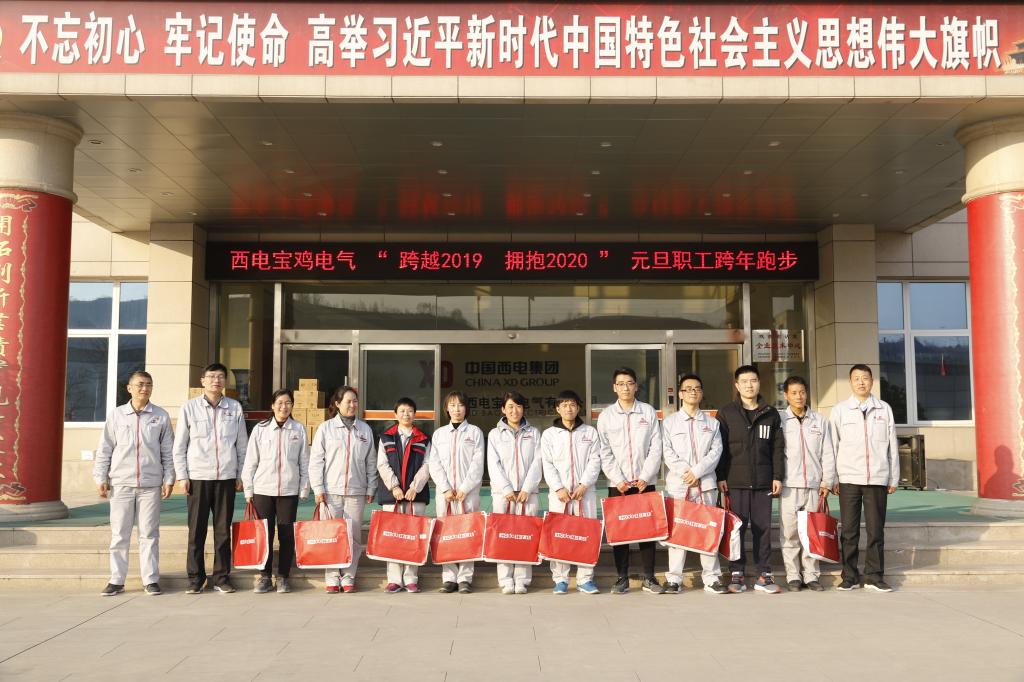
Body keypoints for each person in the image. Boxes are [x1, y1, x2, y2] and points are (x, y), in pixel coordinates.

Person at [93, 370, 174, 596]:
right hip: (121, 484)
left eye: (148, 384)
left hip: (150, 484)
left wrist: (169, 478)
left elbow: (167, 451)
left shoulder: (160, 416)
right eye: (140, 384)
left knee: (149, 534)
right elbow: (105, 448)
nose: (144, 388)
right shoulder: (117, 415)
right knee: (120, 534)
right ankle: (116, 580)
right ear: (129, 388)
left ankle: (151, 579)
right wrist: (100, 477)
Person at [173, 363, 248, 594]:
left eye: (221, 377)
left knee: (223, 531)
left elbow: (242, 446)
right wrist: (182, 476)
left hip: (226, 477)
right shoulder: (190, 408)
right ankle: (195, 578)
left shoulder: (234, 407)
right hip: (198, 477)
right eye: (212, 376)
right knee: (196, 531)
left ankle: (221, 577)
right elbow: (180, 446)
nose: (216, 380)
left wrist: (240, 474)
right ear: (203, 380)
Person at [829, 364, 900, 592]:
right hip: (848, 478)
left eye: (865, 378)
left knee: (875, 530)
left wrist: (893, 477)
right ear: (850, 382)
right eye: (856, 378)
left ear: (872, 381)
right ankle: (849, 576)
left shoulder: (884, 409)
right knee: (849, 531)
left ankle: (874, 576)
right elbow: (832, 446)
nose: (861, 382)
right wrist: (833, 478)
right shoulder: (840, 410)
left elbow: (892, 445)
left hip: (877, 478)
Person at [715, 364, 785, 594]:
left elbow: (777, 448)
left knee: (762, 529)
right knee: (736, 529)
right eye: (744, 381)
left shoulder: (770, 413)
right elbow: (720, 448)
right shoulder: (726, 413)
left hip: (764, 482)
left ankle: (764, 575)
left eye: (753, 380)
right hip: (735, 482)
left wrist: (777, 476)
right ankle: (737, 573)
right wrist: (721, 476)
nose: (749, 385)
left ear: (759, 383)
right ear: (737, 385)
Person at [597, 367, 665, 595]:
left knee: (648, 532)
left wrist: (646, 476)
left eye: (629, 383)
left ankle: (649, 577)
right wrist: (617, 479)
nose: (625, 388)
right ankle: (622, 577)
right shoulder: (606, 416)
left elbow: (656, 446)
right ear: (614, 387)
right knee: (620, 533)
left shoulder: (647, 412)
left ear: (636, 386)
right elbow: (604, 451)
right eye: (621, 384)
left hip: (645, 483)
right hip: (619, 485)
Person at [661, 374, 729, 595]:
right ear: (680, 394)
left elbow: (716, 451)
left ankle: (712, 578)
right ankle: (674, 579)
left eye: (697, 388)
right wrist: (686, 473)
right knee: (677, 532)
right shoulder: (670, 422)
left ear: (702, 393)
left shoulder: (712, 423)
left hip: (705, 484)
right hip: (679, 485)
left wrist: (697, 472)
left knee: (707, 530)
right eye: (688, 389)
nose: (693, 392)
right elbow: (667, 452)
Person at [309, 386, 377, 594]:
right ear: (337, 404)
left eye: (355, 401)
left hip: (356, 491)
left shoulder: (364, 429)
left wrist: (371, 486)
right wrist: (318, 488)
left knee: (354, 537)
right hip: (331, 492)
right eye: (348, 401)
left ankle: (348, 576)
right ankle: (332, 576)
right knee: (331, 535)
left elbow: (371, 461)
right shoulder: (326, 428)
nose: (352, 405)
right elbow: (316, 461)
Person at [241, 389, 310, 594]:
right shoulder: (260, 429)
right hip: (263, 490)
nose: (283, 407)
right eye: (279, 403)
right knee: (266, 534)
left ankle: (283, 576)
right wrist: (248, 490)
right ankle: (264, 576)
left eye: (288, 403)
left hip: (288, 490)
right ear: (272, 406)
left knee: (287, 534)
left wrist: (304, 487)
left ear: (292, 406)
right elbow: (250, 461)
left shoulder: (298, 429)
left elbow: (304, 461)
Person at [540, 390, 602, 595]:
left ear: (578, 408)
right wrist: (558, 487)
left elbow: (595, 460)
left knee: (586, 534)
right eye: (564, 405)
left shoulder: (589, 432)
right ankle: (560, 579)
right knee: (559, 535)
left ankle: (585, 578)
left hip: (585, 493)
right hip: (560, 495)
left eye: (573, 404)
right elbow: (547, 464)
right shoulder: (549, 435)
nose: (569, 408)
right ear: (557, 409)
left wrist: (584, 484)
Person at [779, 376, 835, 592]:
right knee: (790, 533)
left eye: (802, 392)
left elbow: (828, 453)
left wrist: (827, 481)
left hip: (814, 486)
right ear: (786, 395)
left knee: (812, 532)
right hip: (789, 486)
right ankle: (793, 575)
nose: (799, 396)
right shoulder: (780, 420)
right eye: (794, 393)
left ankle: (811, 575)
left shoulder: (820, 421)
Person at [428, 391, 485, 594]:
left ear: (466, 408)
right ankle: (449, 577)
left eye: (460, 405)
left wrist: (464, 488)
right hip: (445, 494)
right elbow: (434, 463)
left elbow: (477, 464)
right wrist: (445, 488)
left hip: (467, 493)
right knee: (446, 534)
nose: (457, 409)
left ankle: (465, 578)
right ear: (447, 408)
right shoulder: (439, 434)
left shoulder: (475, 432)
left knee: (467, 533)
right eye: (452, 405)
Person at [487, 391, 543, 595]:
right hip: (503, 494)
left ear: (523, 409)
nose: (514, 411)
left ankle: (522, 579)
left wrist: (527, 488)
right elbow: (493, 464)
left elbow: (538, 461)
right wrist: (506, 489)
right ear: (503, 409)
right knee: (503, 535)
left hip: (528, 494)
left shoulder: (534, 433)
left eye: (518, 406)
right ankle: (505, 579)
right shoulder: (495, 434)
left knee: (525, 535)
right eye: (510, 406)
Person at [376, 396, 432, 593]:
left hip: (415, 496)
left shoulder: (423, 439)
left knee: (413, 537)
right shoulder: (386, 437)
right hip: (393, 496)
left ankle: (410, 578)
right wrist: (394, 487)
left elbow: (428, 465)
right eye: (402, 411)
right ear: (395, 414)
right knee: (392, 537)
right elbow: (382, 464)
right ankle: (394, 579)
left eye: (410, 411)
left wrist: (415, 487)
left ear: (414, 414)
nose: (406, 414)